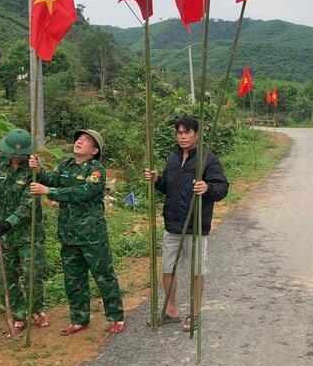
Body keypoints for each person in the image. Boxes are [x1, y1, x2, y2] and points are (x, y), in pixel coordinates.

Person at [29, 129, 126, 335]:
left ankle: (115, 316)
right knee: (73, 279)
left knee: (103, 275)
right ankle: (79, 318)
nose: (80, 142)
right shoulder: (65, 166)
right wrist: (38, 169)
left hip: (92, 235)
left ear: (94, 150)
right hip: (68, 234)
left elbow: (82, 193)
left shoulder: (96, 170)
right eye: (79, 139)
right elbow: (50, 180)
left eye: (86, 140)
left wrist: (49, 192)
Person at [143, 116, 229, 331]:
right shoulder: (172, 158)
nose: (182, 136)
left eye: (187, 132)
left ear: (197, 135)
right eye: (179, 132)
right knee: (167, 269)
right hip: (172, 225)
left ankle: (194, 313)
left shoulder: (207, 159)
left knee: (196, 271)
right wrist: (157, 180)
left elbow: (222, 188)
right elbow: (169, 188)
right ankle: (171, 310)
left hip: (195, 225)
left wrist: (207, 188)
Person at [0, 128, 49, 334]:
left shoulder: (33, 168)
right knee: (4, 277)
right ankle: (17, 314)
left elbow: (30, 203)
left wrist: (9, 221)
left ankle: (36, 309)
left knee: (32, 274)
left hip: (28, 233)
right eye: (13, 155)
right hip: (4, 235)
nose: (17, 158)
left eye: (21, 155)